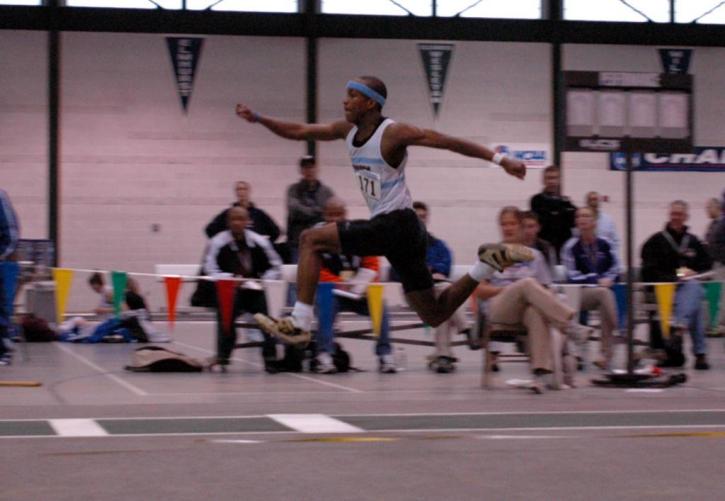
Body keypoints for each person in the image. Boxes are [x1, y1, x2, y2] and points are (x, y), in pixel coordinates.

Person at [236, 75, 532, 344]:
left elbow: (448, 142)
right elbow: (300, 130)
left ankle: (299, 321)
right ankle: (487, 263)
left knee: (309, 239)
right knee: (434, 313)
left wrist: (502, 160)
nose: (344, 100)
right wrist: (260, 119)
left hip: (398, 223)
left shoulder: (393, 133)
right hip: (404, 232)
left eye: (352, 95)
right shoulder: (346, 131)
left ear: (369, 102)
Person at [475, 207, 576, 393]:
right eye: (504, 224)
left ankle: (538, 375)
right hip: (500, 307)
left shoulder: (534, 256)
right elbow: (479, 289)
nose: (508, 228)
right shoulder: (491, 253)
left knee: (536, 312)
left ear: (521, 227)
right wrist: (506, 289)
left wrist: (526, 292)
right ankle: (570, 325)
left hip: (525, 309)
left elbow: (545, 288)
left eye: (512, 223)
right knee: (527, 282)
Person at [314, 198, 396, 374]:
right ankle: (324, 355)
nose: (335, 219)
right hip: (331, 292)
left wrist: (363, 284)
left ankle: (385, 355)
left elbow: (372, 264)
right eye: (331, 215)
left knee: (379, 303)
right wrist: (339, 283)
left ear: (345, 215)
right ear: (324, 216)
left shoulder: (359, 233)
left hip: (356, 292)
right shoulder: (316, 236)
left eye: (338, 215)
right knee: (325, 301)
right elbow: (314, 269)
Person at [204, 206, 283, 371]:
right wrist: (229, 279)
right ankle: (223, 357)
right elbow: (210, 268)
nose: (237, 223)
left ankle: (270, 358)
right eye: (233, 219)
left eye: (241, 219)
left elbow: (275, 266)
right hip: (229, 290)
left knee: (266, 319)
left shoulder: (259, 241)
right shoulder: (218, 242)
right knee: (225, 315)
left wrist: (263, 281)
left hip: (255, 290)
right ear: (228, 222)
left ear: (247, 222)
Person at [641, 200, 712, 370]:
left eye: (679, 214)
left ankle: (679, 328)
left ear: (686, 217)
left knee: (693, 288)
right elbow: (649, 270)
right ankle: (700, 353)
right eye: (673, 214)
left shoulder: (694, 241)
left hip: (688, 288)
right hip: (664, 289)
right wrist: (676, 276)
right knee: (695, 303)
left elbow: (706, 264)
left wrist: (695, 273)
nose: (676, 218)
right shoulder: (656, 241)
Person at [408, 201, 468, 373]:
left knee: (442, 302)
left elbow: (446, 264)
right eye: (416, 217)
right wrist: (426, 272)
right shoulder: (402, 245)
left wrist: (434, 270)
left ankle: (443, 356)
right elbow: (397, 272)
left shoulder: (438, 244)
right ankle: (465, 328)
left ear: (427, 219)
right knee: (444, 294)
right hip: (414, 292)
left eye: (423, 217)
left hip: (436, 289)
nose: (420, 220)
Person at [561, 207, 620, 370]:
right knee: (604, 294)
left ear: (594, 221)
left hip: (603, 291)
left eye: (586, 216)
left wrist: (609, 278)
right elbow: (572, 274)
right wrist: (595, 279)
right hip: (579, 292)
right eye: (579, 216)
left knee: (606, 297)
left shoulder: (605, 243)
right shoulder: (570, 246)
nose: (582, 219)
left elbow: (616, 267)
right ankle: (621, 329)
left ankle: (604, 356)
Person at [285, 156, 335, 262]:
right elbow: (294, 210)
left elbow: (331, 213)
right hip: (298, 242)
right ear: (301, 170)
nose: (309, 171)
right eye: (306, 168)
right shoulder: (293, 190)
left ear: (317, 169)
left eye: (311, 167)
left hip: (321, 242)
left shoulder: (326, 192)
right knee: (298, 273)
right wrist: (318, 211)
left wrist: (306, 210)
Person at [205, 181, 280, 242]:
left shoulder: (259, 214)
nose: (241, 192)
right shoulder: (228, 213)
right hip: (234, 254)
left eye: (244, 189)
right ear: (236, 192)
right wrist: (222, 244)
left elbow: (276, 232)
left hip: (254, 254)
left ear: (249, 191)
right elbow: (210, 230)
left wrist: (264, 245)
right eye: (239, 189)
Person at [530, 165, 577, 260]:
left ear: (559, 180)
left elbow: (573, 223)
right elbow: (544, 222)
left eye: (554, 178)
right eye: (549, 178)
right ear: (543, 180)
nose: (551, 181)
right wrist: (561, 213)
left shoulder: (566, 202)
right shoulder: (536, 200)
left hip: (563, 252)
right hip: (543, 251)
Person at [0, 189, 20, 366]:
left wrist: (2, 255)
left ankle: (4, 350)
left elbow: (12, 235)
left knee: (2, 308)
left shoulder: (0, 197)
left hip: (4, 263)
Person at [704, 194, 725, 334]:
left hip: (721, 264)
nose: (707, 210)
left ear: (717, 207)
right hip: (713, 264)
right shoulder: (713, 224)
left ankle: (718, 324)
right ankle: (713, 322)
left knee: (720, 295)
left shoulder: (722, 223)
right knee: (713, 294)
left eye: (708, 207)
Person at [584, 191, 620, 258]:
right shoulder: (582, 220)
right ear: (587, 202)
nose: (593, 202)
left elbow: (615, 240)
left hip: (606, 256)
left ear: (599, 201)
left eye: (595, 199)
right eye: (591, 199)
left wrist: (614, 255)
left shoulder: (608, 219)